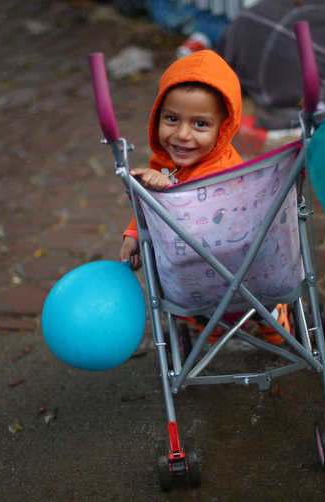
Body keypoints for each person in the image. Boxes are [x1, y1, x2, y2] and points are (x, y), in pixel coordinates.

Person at [118, 50, 289, 345]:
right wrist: (134, 232)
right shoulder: (164, 165)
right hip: (193, 278)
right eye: (172, 119)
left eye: (200, 124)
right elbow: (149, 210)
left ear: (223, 129)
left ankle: (270, 313)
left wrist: (166, 191)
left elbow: (208, 211)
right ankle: (210, 320)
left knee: (253, 292)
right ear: (157, 116)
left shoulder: (227, 172)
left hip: (242, 275)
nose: (182, 134)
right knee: (182, 286)